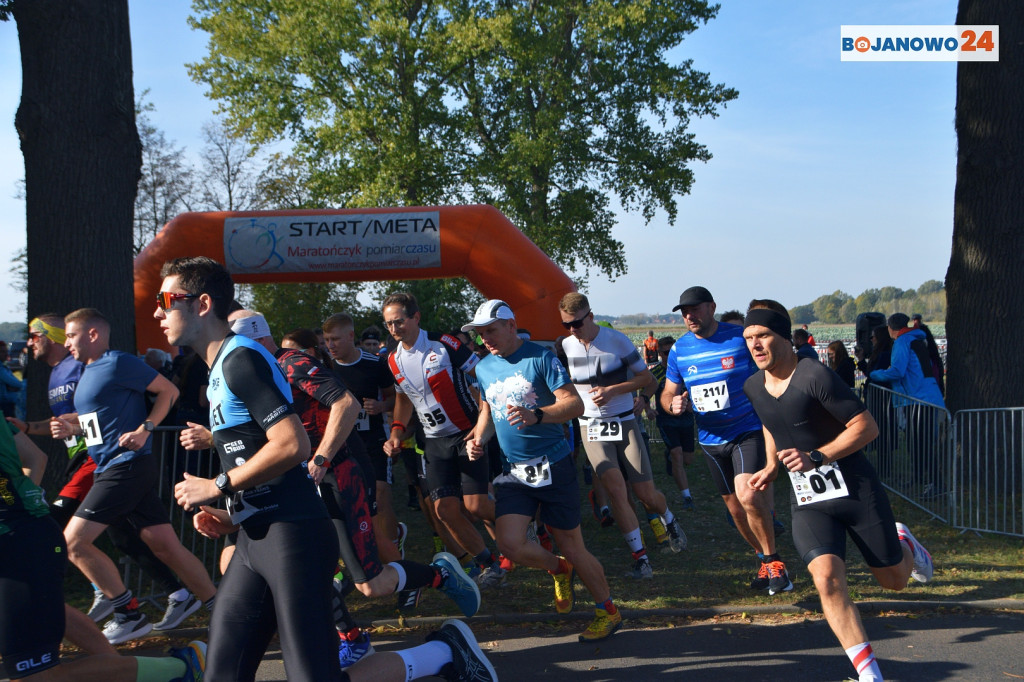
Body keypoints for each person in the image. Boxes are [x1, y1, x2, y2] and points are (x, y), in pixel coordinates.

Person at [235, 316, 481, 669]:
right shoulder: (262, 374)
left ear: (255, 340)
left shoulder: (294, 363)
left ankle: (439, 575)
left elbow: (346, 404)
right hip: (303, 487)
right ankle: (352, 638)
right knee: (309, 572)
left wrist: (322, 457)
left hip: (340, 478)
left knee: (370, 582)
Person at [161, 257, 340, 679]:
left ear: (202, 304)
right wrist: (231, 510)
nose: (157, 311)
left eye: (166, 300)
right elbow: (254, 456)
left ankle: (436, 656)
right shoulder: (217, 368)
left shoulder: (242, 359)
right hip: (252, 536)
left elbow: (294, 444)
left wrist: (218, 485)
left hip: (293, 533)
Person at [742, 299, 933, 682]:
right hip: (810, 501)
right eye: (749, 338)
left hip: (855, 490)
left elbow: (867, 426)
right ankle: (869, 674)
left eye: (763, 335)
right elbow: (770, 423)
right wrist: (770, 464)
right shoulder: (753, 385)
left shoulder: (815, 375)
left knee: (893, 580)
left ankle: (904, 543)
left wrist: (818, 455)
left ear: (784, 337)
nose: (755, 344)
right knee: (826, 579)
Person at [8, 315, 202, 633]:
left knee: (60, 530)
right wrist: (32, 427)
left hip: (102, 462)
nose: (30, 342)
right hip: (93, 460)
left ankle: (117, 607)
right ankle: (182, 595)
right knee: (127, 537)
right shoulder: (58, 372)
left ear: (55, 336)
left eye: (34, 335)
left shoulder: (86, 365)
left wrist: (143, 428)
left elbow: (116, 403)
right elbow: (80, 419)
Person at [53, 308, 216, 645]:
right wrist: (73, 425)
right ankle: (226, 610)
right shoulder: (88, 371)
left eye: (71, 335)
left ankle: (129, 614)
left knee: (73, 543)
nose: (66, 342)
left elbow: (168, 391)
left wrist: (146, 428)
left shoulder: (117, 362)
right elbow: (99, 422)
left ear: (93, 334)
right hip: (112, 466)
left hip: (125, 465)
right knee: (166, 546)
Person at [0, 419, 207, 682]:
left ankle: (184, 668)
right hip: (25, 534)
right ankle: (122, 672)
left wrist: (14, 511)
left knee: (37, 676)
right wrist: (21, 503)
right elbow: (36, 457)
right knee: (52, 611)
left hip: (19, 543)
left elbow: (34, 459)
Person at [464, 300, 622, 642]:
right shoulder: (484, 367)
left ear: (510, 325)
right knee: (509, 543)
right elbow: (487, 411)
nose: (485, 339)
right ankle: (558, 568)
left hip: (552, 464)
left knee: (573, 544)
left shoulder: (541, 357)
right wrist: (478, 438)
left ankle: (607, 611)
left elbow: (574, 404)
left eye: (490, 330)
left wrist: (538, 415)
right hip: (513, 472)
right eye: (479, 334)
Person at [659, 286, 791, 594]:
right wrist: (672, 404)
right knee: (735, 511)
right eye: (684, 312)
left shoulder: (738, 337)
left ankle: (775, 564)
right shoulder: (680, 349)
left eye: (695, 309)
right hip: (710, 438)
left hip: (746, 429)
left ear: (711, 307)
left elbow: (770, 362)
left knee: (748, 495)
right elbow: (667, 392)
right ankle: (764, 559)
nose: (690, 316)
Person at [381, 292, 507, 588]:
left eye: (399, 321)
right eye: (388, 324)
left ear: (415, 317)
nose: (394, 329)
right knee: (445, 510)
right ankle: (489, 564)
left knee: (476, 506)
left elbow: (482, 374)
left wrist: (484, 418)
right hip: (434, 442)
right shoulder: (392, 358)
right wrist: (397, 431)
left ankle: (525, 517)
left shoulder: (443, 344)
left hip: (466, 433)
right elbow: (402, 398)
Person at [558, 293, 685, 580]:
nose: (572, 330)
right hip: (590, 425)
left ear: (589, 316)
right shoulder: (566, 345)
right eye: (566, 325)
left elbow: (648, 380)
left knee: (645, 494)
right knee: (616, 490)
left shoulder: (616, 341)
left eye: (577, 323)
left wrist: (613, 391)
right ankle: (641, 560)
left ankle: (670, 519)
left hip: (625, 421)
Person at [322, 313, 403, 563]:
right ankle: (369, 550)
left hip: (374, 441)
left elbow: (396, 399)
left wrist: (381, 406)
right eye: (326, 340)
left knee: (379, 494)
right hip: (341, 444)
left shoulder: (375, 363)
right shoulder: (325, 367)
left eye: (335, 339)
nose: (331, 345)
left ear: (350, 336)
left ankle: (395, 552)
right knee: (349, 502)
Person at [869, 313, 946, 493]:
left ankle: (937, 484)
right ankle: (920, 477)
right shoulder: (915, 339)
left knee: (922, 443)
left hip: (918, 398)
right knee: (915, 442)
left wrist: (875, 374)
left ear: (890, 327)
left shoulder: (903, 342)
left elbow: (897, 371)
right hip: (923, 396)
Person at [648, 335, 696, 510]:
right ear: (659, 353)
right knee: (677, 454)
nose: (669, 356)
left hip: (686, 419)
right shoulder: (655, 373)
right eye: (666, 352)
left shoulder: (684, 369)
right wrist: (648, 410)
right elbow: (645, 395)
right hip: (666, 420)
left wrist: (693, 404)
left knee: (688, 459)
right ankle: (687, 497)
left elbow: (695, 389)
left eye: (672, 351)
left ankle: (669, 457)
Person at [0, 341, 24, 419]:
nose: (6, 354)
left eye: (6, 351)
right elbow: (16, 383)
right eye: (2, 352)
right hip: (4, 405)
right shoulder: (1, 369)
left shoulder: (4, 367)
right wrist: (25, 385)